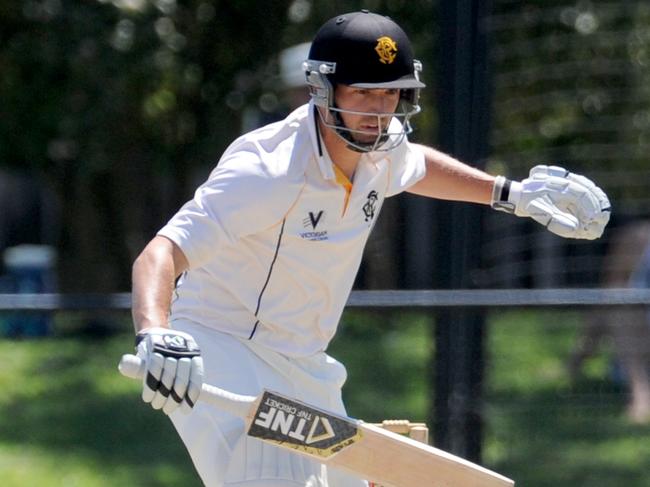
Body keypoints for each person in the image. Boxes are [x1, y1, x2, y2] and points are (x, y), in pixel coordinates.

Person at [129, 11, 611, 487]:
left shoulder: (383, 144)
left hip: (304, 362)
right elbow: (162, 252)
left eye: (390, 93)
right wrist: (156, 333)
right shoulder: (268, 169)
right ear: (322, 89)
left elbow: (415, 163)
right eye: (362, 92)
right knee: (271, 481)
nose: (378, 109)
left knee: (349, 484)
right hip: (219, 346)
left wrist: (510, 194)